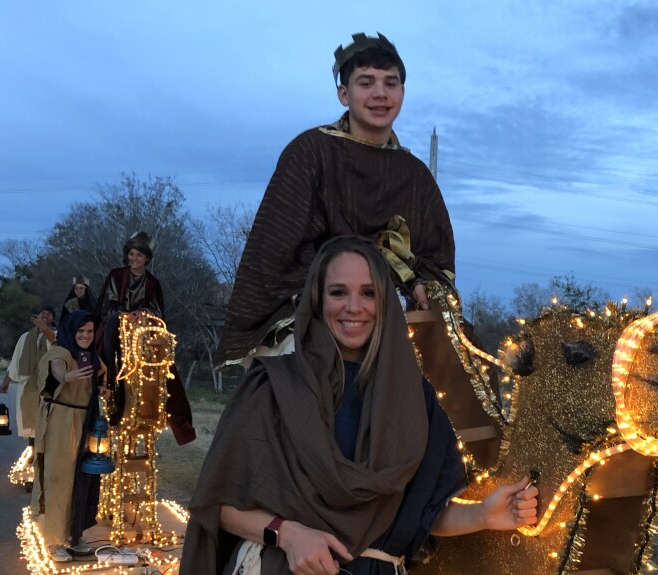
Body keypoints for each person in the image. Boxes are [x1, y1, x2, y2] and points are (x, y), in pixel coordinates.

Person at [180, 237, 537, 575]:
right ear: (318, 300)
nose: (354, 307)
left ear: (384, 303)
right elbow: (219, 504)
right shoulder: (273, 386)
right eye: (338, 292)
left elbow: (422, 514)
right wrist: (286, 534)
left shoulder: (417, 398)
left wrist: (484, 515)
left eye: (369, 293)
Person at [216, 33, 455, 369]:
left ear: (402, 92)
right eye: (366, 82)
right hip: (316, 306)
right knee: (309, 379)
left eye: (391, 83)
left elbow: (436, 259)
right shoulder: (310, 152)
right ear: (344, 94)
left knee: (454, 389)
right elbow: (274, 250)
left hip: (389, 313)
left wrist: (419, 287)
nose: (380, 94)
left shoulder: (415, 175)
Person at [94, 231, 195, 445]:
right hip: (116, 324)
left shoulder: (153, 283)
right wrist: (124, 314)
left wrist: (143, 314)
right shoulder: (116, 275)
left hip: (142, 329)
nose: (134, 259)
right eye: (131, 254)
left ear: (146, 258)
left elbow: (158, 312)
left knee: (163, 363)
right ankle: (111, 384)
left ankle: (158, 407)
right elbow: (108, 304)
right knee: (110, 339)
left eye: (139, 255)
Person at [31, 310, 110, 563]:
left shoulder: (91, 355)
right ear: (70, 331)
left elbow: (99, 376)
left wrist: (102, 389)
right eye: (80, 331)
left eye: (89, 331)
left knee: (82, 480)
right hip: (63, 422)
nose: (86, 336)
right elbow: (57, 369)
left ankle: (75, 536)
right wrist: (66, 377)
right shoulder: (60, 352)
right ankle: (54, 540)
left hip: (85, 421)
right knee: (60, 478)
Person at [0, 306, 57, 448]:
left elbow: (55, 344)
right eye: (42, 312)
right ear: (36, 316)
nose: (45, 314)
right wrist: (6, 380)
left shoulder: (57, 334)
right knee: (29, 416)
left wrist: (43, 328)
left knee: (46, 417)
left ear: (53, 319)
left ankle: (43, 451)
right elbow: (16, 360)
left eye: (48, 313)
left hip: (47, 383)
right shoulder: (25, 337)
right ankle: (32, 449)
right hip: (27, 384)